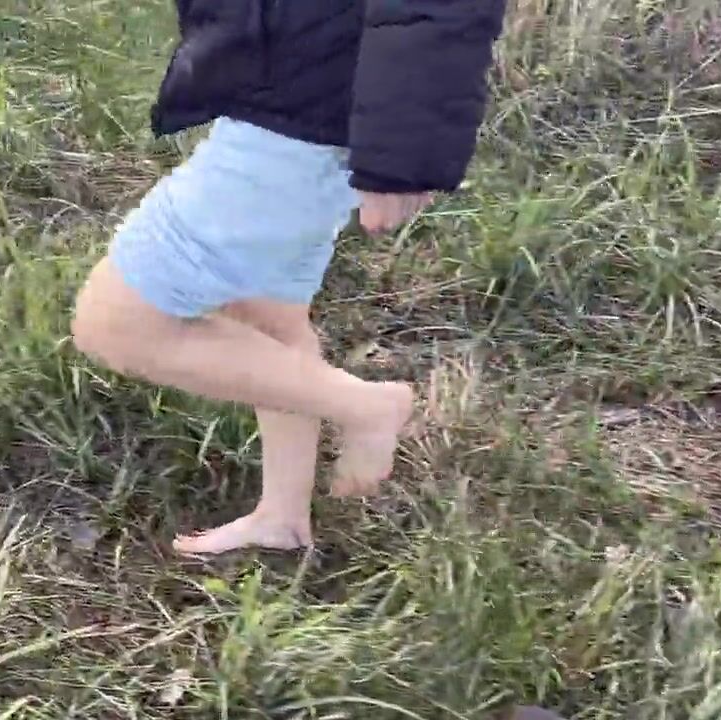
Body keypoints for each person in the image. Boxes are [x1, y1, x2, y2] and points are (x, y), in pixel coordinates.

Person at [71, 0, 508, 555]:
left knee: (114, 322)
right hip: (295, 88)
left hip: (301, 109)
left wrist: (400, 161)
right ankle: (282, 517)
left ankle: (367, 407)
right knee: (266, 316)